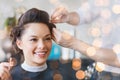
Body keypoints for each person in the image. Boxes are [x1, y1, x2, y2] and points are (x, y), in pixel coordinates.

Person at [51, 5, 120, 69]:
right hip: (101, 67)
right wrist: (69, 17)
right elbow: (85, 13)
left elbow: (117, 59)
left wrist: (73, 43)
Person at [0, 8, 57, 80]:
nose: (42, 46)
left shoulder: (61, 75)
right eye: (33, 39)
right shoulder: (9, 76)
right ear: (19, 43)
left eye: (47, 38)